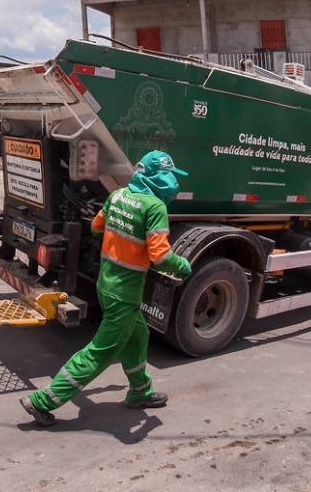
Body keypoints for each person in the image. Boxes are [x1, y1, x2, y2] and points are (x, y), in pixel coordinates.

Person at [20, 150, 192, 427]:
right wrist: (183, 265)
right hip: (124, 294)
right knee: (99, 353)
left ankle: (140, 391)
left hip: (108, 284)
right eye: (167, 174)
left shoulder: (118, 195)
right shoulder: (155, 207)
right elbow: (161, 256)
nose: (171, 180)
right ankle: (42, 401)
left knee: (138, 336)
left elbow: (98, 226)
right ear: (154, 176)